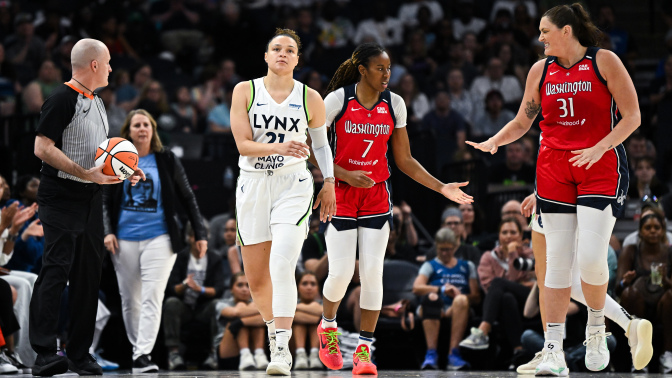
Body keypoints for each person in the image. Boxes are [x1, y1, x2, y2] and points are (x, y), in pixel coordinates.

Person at [467, 4, 641, 375]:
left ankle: (596, 330)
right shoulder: (540, 70)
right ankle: (554, 352)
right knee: (556, 269)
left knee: (592, 259)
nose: (540, 37)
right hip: (553, 168)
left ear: (567, 31)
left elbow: (632, 116)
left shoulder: (603, 61)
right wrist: (495, 141)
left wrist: (599, 147)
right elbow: (522, 120)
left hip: (599, 163)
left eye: (546, 31)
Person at [313, 42, 473, 376]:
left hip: (375, 196)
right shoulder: (337, 100)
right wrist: (340, 174)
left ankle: (364, 350)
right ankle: (327, 326)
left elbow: (404, 160)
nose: (387, 75)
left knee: (373, 271)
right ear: (362, 70)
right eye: (380, 68)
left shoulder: (394, 103)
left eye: (389, 69)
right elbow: (314, 147)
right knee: (342, 273)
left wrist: (442, 187)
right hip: (340, 194)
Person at [30, 38, 144, 377]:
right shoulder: (62, 99)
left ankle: (80, 355)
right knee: (56, 269)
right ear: (94, 64)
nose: (111, 68)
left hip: (91, 198)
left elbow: (101, 155)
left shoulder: (96, 102)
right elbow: (41, 147)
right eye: (108, 62)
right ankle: (43, 353)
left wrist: (125, 170)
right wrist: (85, 173)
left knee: (87, 278)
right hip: (61, 195)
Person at [229, 28, 336, 376]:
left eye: (290, 50)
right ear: (266, 56)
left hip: (293, 184)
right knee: (258, 280)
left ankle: (281, 348)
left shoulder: (310, 98)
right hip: (254, 185)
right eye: (276, 48)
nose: (283, 53)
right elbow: (243, 144)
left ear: (297, 59)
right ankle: (275, 330)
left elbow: (320, 146)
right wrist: (278, 146)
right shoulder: (245, 90)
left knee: (282, 263)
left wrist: (330, 182)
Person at [102, 109, 207, 373]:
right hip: (123, 239)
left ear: (153, 129)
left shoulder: (166, 158)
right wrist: (107, 231)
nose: (142, 129)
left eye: (146, 124)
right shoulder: (116, 159)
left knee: (152, 295)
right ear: (128, 131)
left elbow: (187, 197)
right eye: (136, 125)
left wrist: (200, 233)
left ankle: (142, 356)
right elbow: (104, 200)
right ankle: (140, 350)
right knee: (130, 299)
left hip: (160, 237)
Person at [516, 194, 653, 374]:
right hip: (568, 197)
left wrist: (540, 191)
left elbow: (558, 165)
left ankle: (553, 351)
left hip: (557, 196)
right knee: (562, 281)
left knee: (551, 279)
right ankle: (629, 324)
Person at [459, 217, 535, 361]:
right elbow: (490, 291)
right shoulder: (488, 257)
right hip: (500, 306)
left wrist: (513, 253)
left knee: (499, 283)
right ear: (499, 236)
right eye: (504, 232)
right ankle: (518, 351)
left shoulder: (529, 254)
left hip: (530, 302)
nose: (508, 236)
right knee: (506, 297)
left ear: (520, 235)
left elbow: (534, 284)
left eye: (513, 232)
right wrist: (520, 283)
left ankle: (482, 331)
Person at [413, 228, 480, 371]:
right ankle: (431, 354)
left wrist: (457, 296)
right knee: (432, 298)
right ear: (436, 246)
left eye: (448, 249)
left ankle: (453, 354)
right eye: (441, 249)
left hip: (456, 309)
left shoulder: (467, 266)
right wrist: (442, 289)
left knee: (461, 300)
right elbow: (417, 287)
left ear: (455, 247)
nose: (444, 253)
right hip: (434, 307)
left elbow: (476, 297)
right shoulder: (430, 265)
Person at [162, 221, 225, 371]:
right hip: (185, 307)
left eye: (202, 237)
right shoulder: (180, 257)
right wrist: (185, 285)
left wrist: (200, 289)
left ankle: (213, 353)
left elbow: (219, 289)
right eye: (194, 237)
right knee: (171, 303)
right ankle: (174, 354)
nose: (197, 241)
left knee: (217, 305)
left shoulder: (214, 258)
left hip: (203, 308)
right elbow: (171, 288)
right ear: (188, 238)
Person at [615, 212, 671, 373]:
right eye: (648, 228)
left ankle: (668, 355)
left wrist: (666, 281)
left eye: (657, 228)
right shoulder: (630, 250)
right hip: (638, 304)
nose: (653, 231)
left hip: (662, 305)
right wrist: (625, 281)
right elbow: (618, 289)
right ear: (640, 231)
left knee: (671, 297)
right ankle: (639, 355)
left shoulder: (669, 252)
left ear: (662, 231)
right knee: (629, 293)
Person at [217, 273, 269, 371]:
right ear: (231, 289)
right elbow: (235, 313)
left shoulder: (255, 304)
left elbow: (268, 319)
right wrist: (260, 309)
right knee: (242, 309)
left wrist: (242, 321)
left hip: (253, 351)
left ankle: (259, 354)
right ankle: (245, 354)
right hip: (228, 351)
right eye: (240, 285)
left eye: (248, 285)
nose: (244, 289)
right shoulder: (222, 303)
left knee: (253, 319)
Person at [292, 272, 323, 370]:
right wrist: (316, 317)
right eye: (305, 283)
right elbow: (319, 315)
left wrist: (296, 309)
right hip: (292, 346)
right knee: (300, 323)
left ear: (318, 288)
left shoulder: (324, 303)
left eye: (313, 284)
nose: (309, 287)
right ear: (297, 286)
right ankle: (300, 354)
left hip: (320, 344)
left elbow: (322, 311)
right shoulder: (290, 300)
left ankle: (314, 355)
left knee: (318, 322)